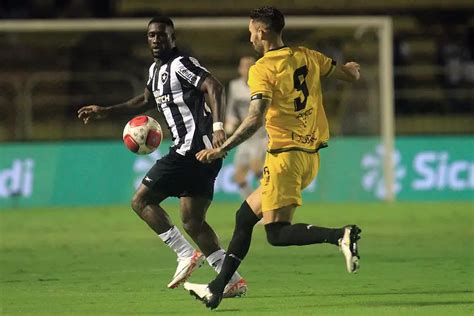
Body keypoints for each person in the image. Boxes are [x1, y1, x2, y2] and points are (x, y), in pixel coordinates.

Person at [183, 6, 362, 309]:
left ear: (262, 32)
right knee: (244, 217)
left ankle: (340, 235)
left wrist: (222, 147)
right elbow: (349, 75)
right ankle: (216, 289)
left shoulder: (262, 69)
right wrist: (353, 69)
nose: (250, 36)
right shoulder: (308, 55)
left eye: (251, 30)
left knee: (276, 234)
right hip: (309, 156)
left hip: (284, 158)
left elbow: (254, 118)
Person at [77, 15, 247, 297]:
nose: (156, 40)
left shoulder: (182, 64)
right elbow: (145, 100)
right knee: (192, 221)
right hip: (200, 155)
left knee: (140, 200)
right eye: (151, 36)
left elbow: (214, 87)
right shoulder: (156, 71)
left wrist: (218, 127)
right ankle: (232, 279)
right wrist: (106, 111)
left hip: (193, 149)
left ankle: (184, 254)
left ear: (172, 38)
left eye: (161, 35)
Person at [225, 56, 268, 199]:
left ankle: (271, 200)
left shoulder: (262, 85)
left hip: (261, 134)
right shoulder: (234, 86)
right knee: (239, 176)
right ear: (240, 69)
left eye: (251, 66)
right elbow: (232, 108)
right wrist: (230, 122)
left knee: (257, 168)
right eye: (245, 66)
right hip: (245, 135)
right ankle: (253, 207)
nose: (248, 69)